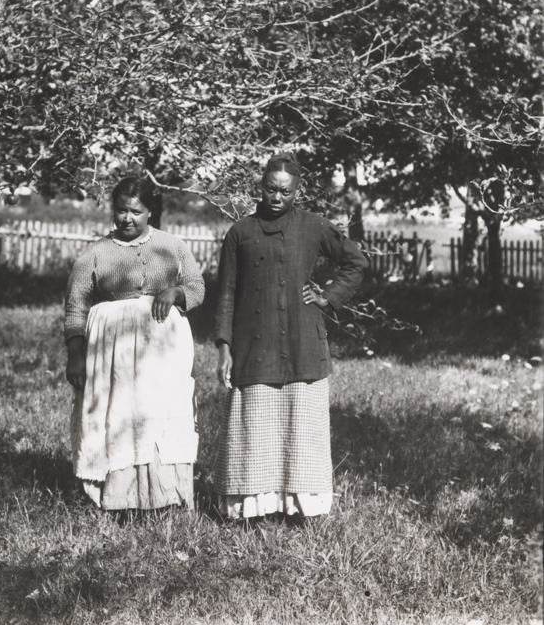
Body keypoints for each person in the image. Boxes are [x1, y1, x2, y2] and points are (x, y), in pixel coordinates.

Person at [214, 153, 368, 520]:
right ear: (261, 187)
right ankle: (253, 507)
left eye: (285, 191)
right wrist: (224, 347)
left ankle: (302, 507)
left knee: (303, 426)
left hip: (303, 341)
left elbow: (356, 261)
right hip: (254, 343)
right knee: (253, 427)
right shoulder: (240, 233)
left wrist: (327, 296)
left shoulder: (314, 226)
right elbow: (226, 293)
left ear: (297, 192)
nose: (277, 197)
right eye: (270, 189)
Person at [65, 176, 205, 511]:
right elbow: (76, 304)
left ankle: (165, 495)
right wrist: (74, 351)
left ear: (150, 213)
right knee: (118, 413)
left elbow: (197, 286)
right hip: (111, 349)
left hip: (162, 348)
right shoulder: (95, 254)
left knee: (159, 412)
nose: (127, 218)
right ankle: (117, 496)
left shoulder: (172, 246)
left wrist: (177, 292)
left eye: (136, 211)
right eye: (121, 210)